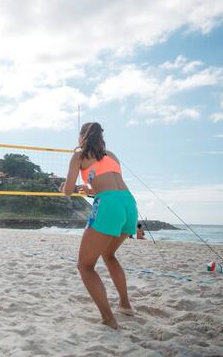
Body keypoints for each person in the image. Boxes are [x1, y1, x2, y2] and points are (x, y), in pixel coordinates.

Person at [60, 122, 137, 329]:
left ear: (82, 137)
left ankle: (108, 318)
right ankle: (125, 304)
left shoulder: (79, 154)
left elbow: (67, 191)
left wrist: (69, 187)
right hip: (128, 202)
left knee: (85, 266)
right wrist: (90, 190)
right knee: (109, 255)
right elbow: (110, 185)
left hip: (108, 204)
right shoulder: (111, 155)